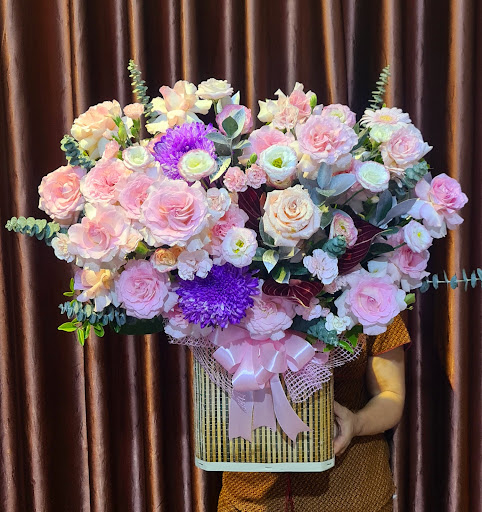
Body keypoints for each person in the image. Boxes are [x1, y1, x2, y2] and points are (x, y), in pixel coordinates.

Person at [217, 314, 411, 512]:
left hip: (351, 490)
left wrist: (356, 423)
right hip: (250, 492)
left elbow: (391, 394)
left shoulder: (373, 303)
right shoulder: (226, 304)